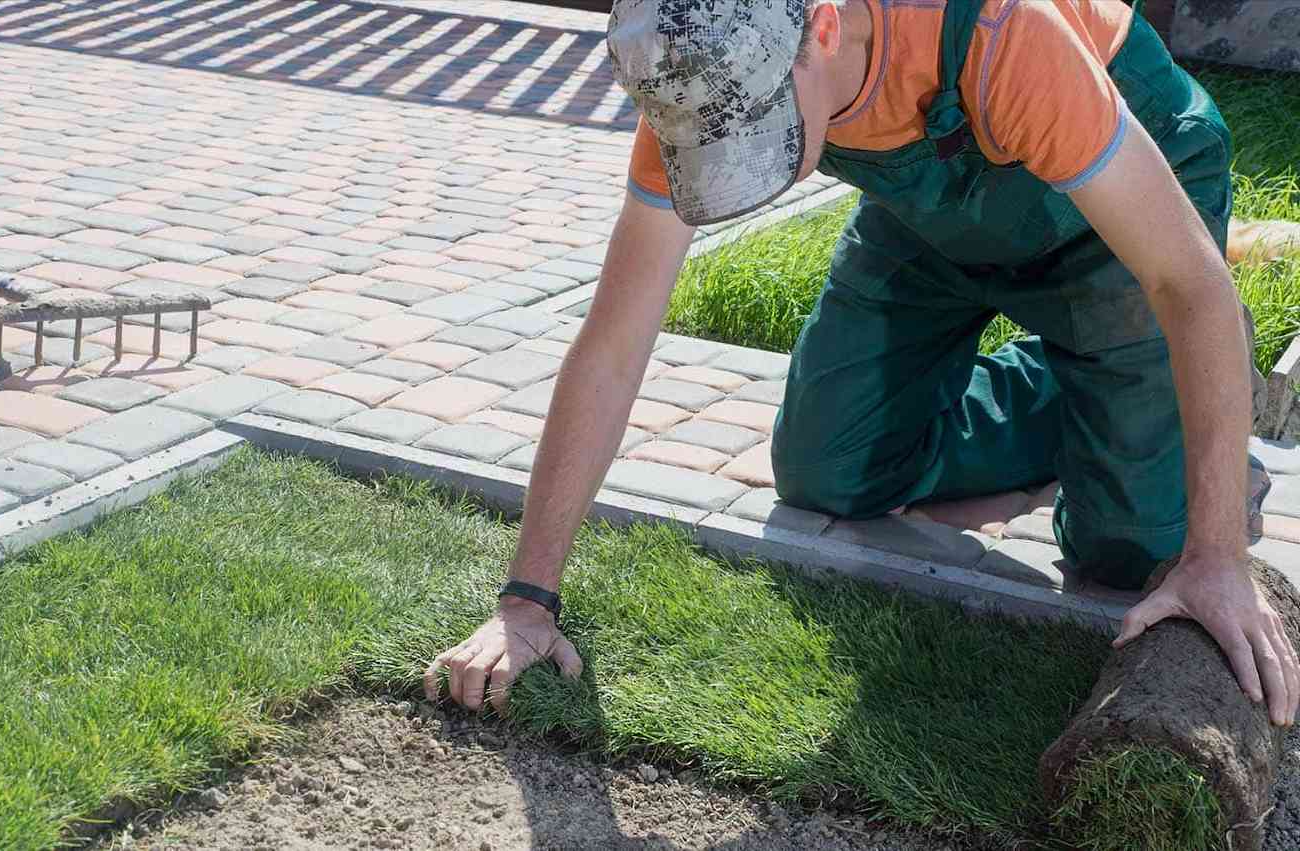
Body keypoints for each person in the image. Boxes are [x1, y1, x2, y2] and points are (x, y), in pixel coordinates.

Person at [425, 0, 1300, 728]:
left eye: (761, 132)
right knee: (827, 468)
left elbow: (1190, 284)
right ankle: (1117, 399)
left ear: (827, 29)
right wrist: (527, 599)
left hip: (1120, 200)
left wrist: (1216, 553)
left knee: (1130, 551)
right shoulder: (697, 75)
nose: (736, 170)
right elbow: (613, 344)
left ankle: (1169, 411)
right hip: (936, 212)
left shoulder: (1003, 34)